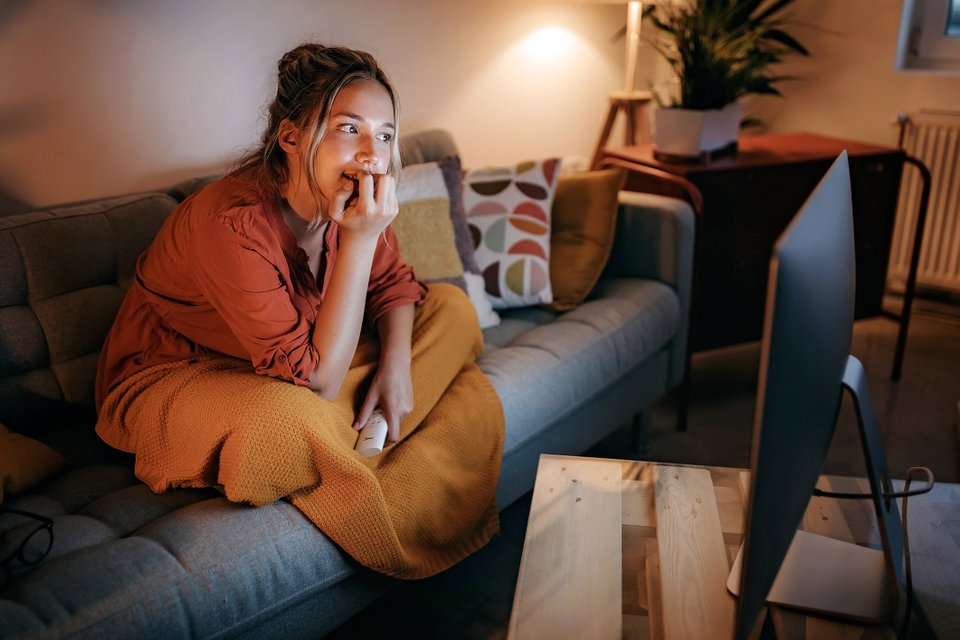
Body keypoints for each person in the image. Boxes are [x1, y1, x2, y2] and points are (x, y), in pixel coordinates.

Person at [94, 43, 504, 579]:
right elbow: (317, 379)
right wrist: (359, 240)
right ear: (291, 137)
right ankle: (371, 430)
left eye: (384, 134)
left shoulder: (351, 196)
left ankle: (372, 418)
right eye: (349, 128)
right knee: (287, 423)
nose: (372, 155)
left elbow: (394, 286)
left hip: (295, 360)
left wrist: (397, 366)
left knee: (450, 305)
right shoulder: (231, 223)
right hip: (177, 376)